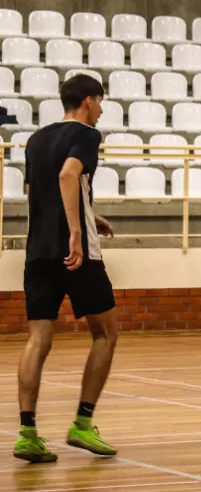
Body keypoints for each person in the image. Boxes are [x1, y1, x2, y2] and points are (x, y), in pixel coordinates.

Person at [15, 74, 118, 463]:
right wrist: (77, 232)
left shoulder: (36, 139)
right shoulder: (89, 135)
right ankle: (82, 424)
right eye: (101, 103)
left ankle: (27, 432)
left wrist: (92, 214)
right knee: (106, 334)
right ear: (89, 101)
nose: (102, 110)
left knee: (38, 339)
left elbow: (42, 192)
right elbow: (67, 175)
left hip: (37, 251)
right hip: (76, 253)